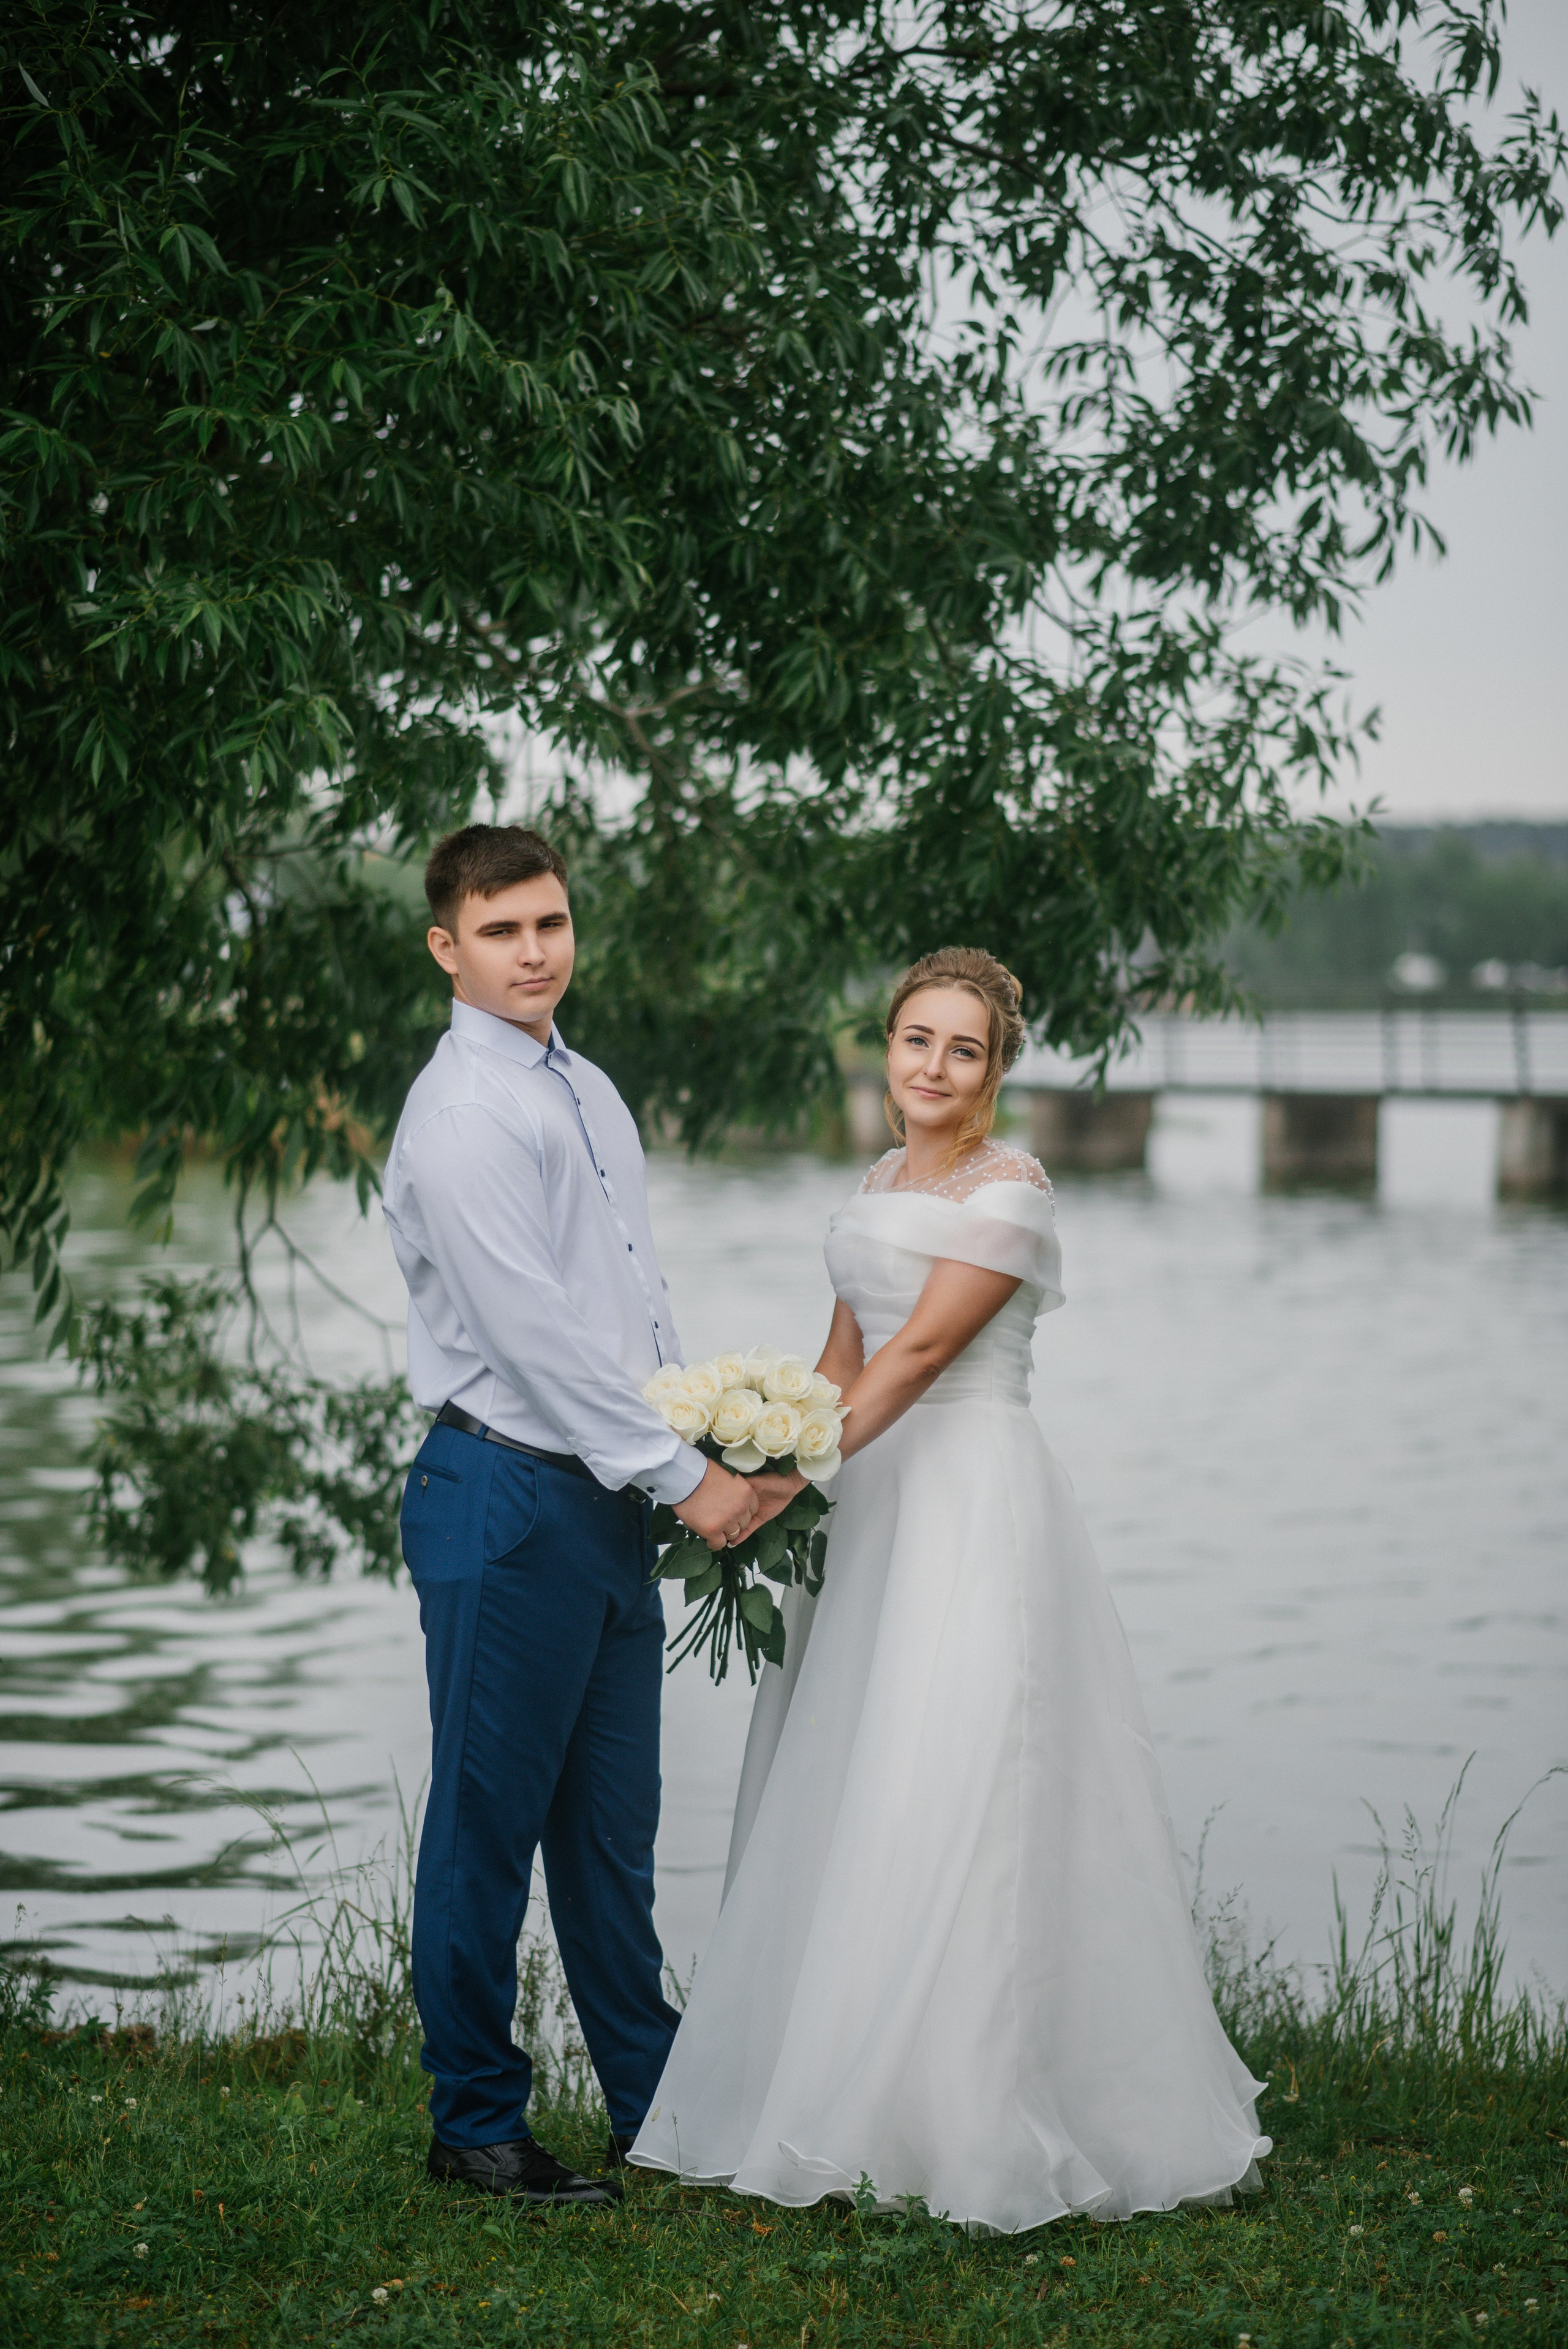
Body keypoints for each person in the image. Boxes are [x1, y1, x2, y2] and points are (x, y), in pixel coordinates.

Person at [631, 946, 1272, 2231]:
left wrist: (774, 1479)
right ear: (886, 1045)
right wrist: (764, 1463)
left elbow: (921, 1353)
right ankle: (833, 2086)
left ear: (995, 1068)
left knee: (964, 1773)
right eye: (914, 1039)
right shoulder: (875, 1179)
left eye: (961, 1048)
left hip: (970, 1501)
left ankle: (980, 2108)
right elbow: (842, 1354)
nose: (932, 1066)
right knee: (853, 1767)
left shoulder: (1013, 1190)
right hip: (861, 1502)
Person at [382, 823, 760, 2208]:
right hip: (506, 1497)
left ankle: (653, 2107)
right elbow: (533, 1340)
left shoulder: (582, 1086)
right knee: (486, 1829)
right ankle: (476, 2125)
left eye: (549, 923)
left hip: (600, 1499)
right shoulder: (465, 1114)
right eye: (500, 932)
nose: (533, 951)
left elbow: (622, 1304)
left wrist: (684, 1438)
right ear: (447, 946)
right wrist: (689, 1479)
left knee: (608, 1834)